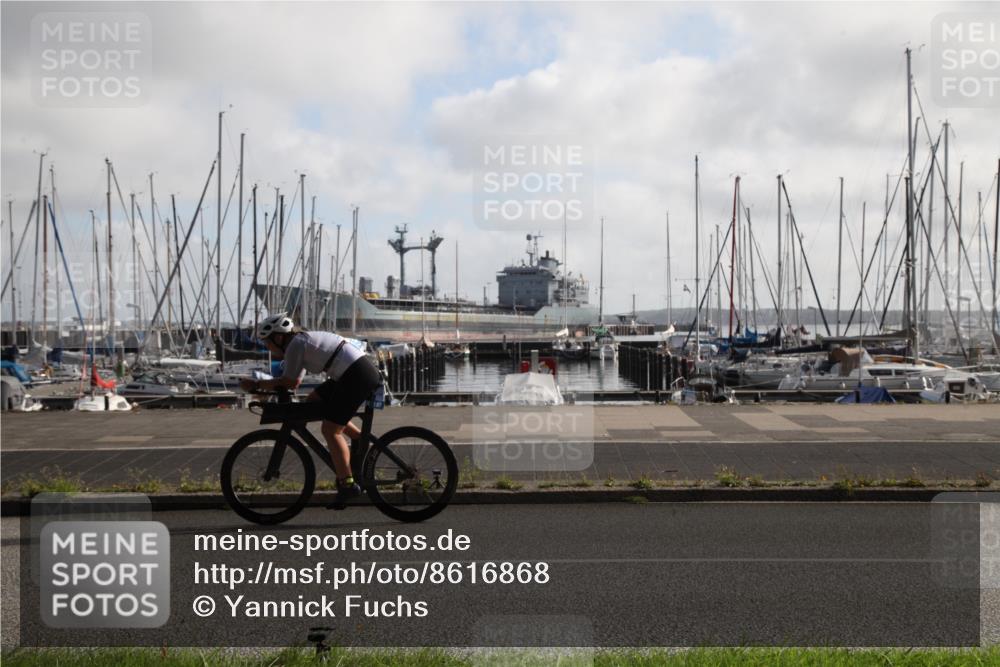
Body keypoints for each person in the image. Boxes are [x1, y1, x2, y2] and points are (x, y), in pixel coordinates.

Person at [239, 313, 382, 507]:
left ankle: (347, 484)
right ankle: (358, 438)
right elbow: (294, 382)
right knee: (314, 400)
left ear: (278, 337)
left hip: (356, 375)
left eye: (268, 342)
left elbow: (290, 382)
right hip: (351, 373)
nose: (268, 347)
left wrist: (256, 384)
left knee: (330, 430)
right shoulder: (299, 343)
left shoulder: (296, 344)